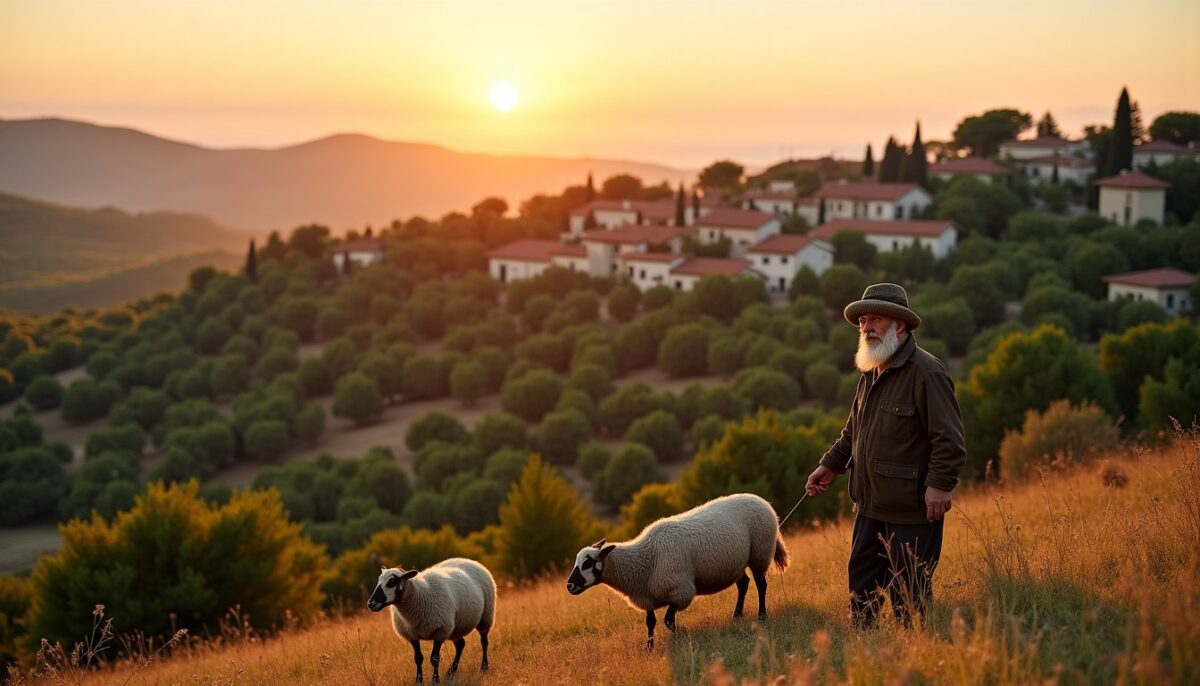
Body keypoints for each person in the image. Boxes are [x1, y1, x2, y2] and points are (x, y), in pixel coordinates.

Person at [805, 283, 966, 629]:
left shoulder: (928, 373)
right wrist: (830, 465)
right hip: (868, 507)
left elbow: (950, 440)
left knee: (910, 601)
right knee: (860, 597)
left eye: (876, 319)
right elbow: (853, 430)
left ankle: (914, 660)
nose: (866, 328)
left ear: (900, 326)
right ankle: (866, 658)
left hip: (912, 512)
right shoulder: (871, 371)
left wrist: (939, 485)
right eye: (863, 320)